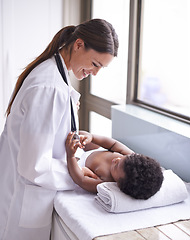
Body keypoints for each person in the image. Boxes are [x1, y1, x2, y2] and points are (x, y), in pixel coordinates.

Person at [0, 19, 119, 240]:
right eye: (95, 64)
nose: (95, 73)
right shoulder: (50, 88)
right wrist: (77, 174)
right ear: (79, 44)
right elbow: (34, 166)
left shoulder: (54, 74)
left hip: (23, 195)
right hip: (22, 202)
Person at [65, 131, 164, 200]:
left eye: (116, 166)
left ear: (119, 183)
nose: (117, 159)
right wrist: (92, 137)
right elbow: (113, 144)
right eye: (122, 158)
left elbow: (81, 180)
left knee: (67, 164)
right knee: (80, 134)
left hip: (80, 162)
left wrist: (71, 156)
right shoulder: (129, 156)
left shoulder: (106, 183)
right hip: (95, 150)